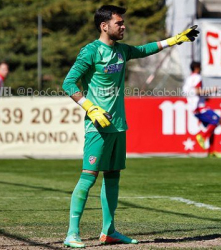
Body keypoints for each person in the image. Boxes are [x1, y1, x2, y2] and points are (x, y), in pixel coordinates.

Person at [61, 5, 199, 248]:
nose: (123, 26)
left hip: (118, 126)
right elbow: (69, 83)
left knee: (112, 177)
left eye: (123, 23)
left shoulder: (123, 51)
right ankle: (72, 233)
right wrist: (90, 107)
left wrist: (174, 40)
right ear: (104, 26)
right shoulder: (91, 51)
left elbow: (145, 50)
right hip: (98, 126)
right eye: (119, 23)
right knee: (88, 177)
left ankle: (109, 230)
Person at [182, 61, 221, 158]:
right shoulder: (197, 77)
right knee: (216, 119)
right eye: (199, 67)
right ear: (196, 68)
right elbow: (198, 91)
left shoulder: (188, 79)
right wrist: (212, 90)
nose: (200, 69)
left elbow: (190, 93)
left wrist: (204, 97)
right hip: (199, 107)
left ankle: (211, 151)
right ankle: (202, 137)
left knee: (212, 126)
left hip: (193, 107)